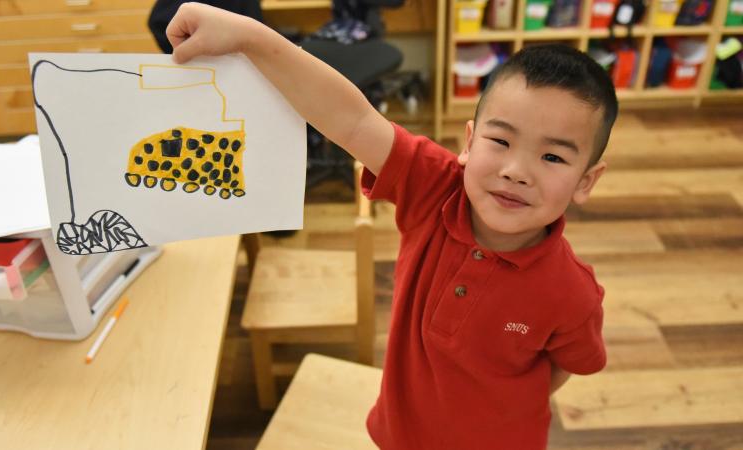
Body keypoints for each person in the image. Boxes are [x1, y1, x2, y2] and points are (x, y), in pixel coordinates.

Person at [166, 3, 616, 449]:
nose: (517, 170)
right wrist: (251, 36)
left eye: (553, 157)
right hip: (399, 436)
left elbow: (565, 366)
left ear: (586, 180)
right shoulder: (433, 187)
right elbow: (352, 118)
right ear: (469, 141)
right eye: (500, 141)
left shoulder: (573, 293)